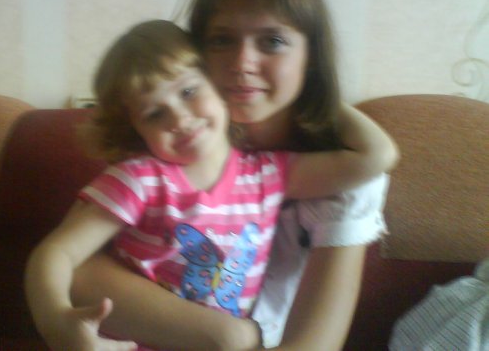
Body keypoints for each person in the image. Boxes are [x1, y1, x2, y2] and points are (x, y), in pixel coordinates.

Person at [25, 19, 398, 351]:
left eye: (188, 92)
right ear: (135, 130)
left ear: (221, 86)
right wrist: (55, 320)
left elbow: (376, 155)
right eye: (155, 113)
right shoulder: (139, 179)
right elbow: (57, 253)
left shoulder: (268, 175)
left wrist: (306, 90)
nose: (179, 118)